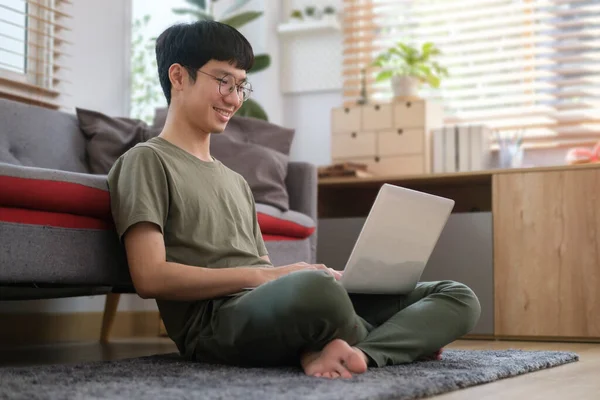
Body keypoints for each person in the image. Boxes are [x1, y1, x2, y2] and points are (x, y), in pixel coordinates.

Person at [107, 20, 481, 379]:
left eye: (241, 86)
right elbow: (150, 277)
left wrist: (299, 277)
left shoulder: (235, 181)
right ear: (178, 77)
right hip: (214, 324)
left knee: (458, 296)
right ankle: (400, 340)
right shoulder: (145, 161)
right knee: (316, 290)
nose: (234, 98)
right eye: (224, 81)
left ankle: (362, 352)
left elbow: (267, 272)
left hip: (270, 306)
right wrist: (272, 276)